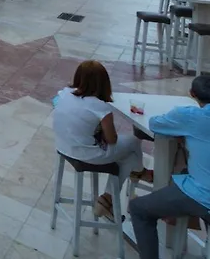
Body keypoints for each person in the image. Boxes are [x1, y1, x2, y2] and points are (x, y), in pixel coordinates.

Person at [130, 75, 210, 258]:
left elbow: (155, 124)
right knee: (184, 172)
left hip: (203, 196)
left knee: (138, 209)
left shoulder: (189, 116)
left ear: (192, 94)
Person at [53, 61, 144, 222]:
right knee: (133, 143)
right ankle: (137, 174)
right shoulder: (100, 107)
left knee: (129, 157)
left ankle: (110, 198)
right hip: (88, 154)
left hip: (63, 146)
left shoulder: (63, 93)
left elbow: (61, 110)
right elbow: (112, 139)